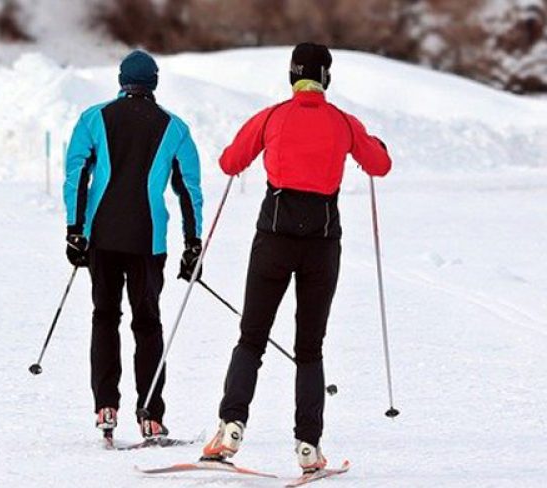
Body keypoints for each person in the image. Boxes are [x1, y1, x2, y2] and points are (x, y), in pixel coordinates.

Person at [201, 43, 392, 474]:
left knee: (252, 336)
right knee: (310, 348)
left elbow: (230, 162)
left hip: (273, 241)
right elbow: (379, 165)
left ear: (292, 76)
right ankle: (308, 446)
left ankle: (230, 427)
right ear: (326, 77)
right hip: (322, 246)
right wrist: (374, 143)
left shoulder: (272, 117)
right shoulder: (343, 122)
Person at [63, 50, 204, 441]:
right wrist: (193, 244)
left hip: (102, 237)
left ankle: (105, 406)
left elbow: (77, 175)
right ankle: (151, 415)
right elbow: (188, 190)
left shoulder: (93, 118)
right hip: (148, 239)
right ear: (153, 83)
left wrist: (75, 230)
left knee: (104, 317)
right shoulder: (174, 128)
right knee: (147, 323)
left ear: (122, 81)